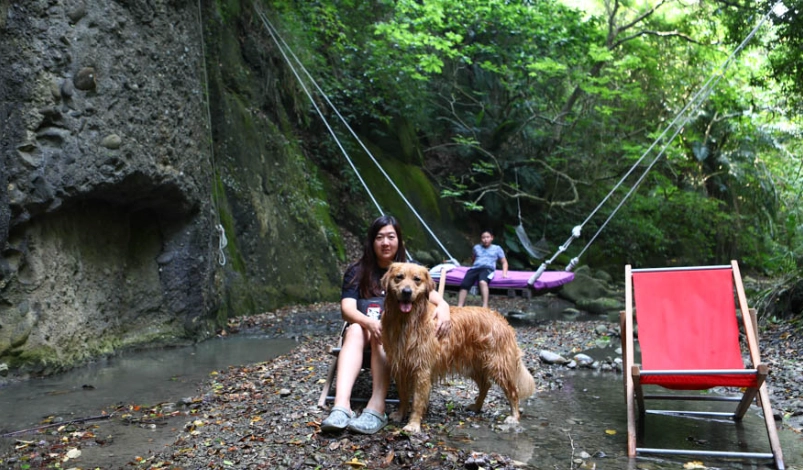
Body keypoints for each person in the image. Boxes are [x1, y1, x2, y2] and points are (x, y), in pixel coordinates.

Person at [320, 215, 451, 434]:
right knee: (355, 329)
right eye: (379, 237)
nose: (385, 242)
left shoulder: (410, 269)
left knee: (385, 331)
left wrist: (445, 309)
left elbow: (435, 298)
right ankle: (341, 407)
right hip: (361, 331)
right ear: (372, 242)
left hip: (392, 335)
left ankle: (376, 406)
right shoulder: (357, 271)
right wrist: (368, 322)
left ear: (399, 241)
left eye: (391, 236)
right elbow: (347, 309)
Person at [456, 230, 508, 309]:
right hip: (475, 268)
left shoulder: (497, 248)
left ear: (492, 238)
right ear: (481, 239)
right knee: (464, 284)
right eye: (483, 237)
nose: (485, 239)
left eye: (487, 237)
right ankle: (459, 306)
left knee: (482, 282)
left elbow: (504, 262)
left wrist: (504, 273)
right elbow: (474, 259)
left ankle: (485, 305)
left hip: (488, 268)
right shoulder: (476, 247)